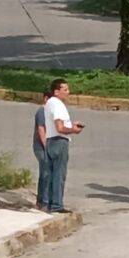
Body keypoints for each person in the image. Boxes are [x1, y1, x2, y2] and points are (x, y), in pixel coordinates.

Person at [44, 79, 84, 213]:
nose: (68, 92)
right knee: (59, 174)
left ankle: (49, 203)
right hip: (59, 141)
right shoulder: (58, 105)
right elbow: (60, 128)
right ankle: (57, 205)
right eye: (65, 89)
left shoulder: (49, 103)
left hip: (50, 140)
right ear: (56, 91)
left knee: (51, 174)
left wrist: (71, 125)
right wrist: (73, 130)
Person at [33, 92, 52, 210]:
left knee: (44, 173)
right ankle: (44, 202)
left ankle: (40, 201)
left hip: (45, 147)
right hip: (41, 147)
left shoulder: (49, 111)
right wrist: (46, 146)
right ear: (45, 98)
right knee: (46, 174)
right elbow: (41, 129)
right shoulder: (42, 111)